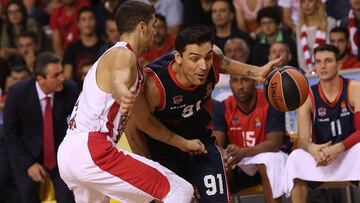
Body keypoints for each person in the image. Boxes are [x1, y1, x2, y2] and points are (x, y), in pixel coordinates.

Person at [57, 1, 195, 203]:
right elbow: (118, 82)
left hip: (72, 153)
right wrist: (123, 93)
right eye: (153, 24)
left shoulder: (130, 65)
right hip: (93, 149)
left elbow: (145, 122)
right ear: (142, 26)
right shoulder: (123, 54)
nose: (155, 31)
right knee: (180, 190)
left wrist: (183, 143)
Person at [127, 25, 281, 203]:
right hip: (163, 152)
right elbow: (137, 128)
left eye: (207, 58)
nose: (203, 66)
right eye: (194, 59)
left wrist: (258, 72)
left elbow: (223, 63)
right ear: (178, 57)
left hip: (200, 144)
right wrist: (150, 169)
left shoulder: (214, 60)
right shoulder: (154, 84)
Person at [284, 44, 360, 203]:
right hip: (322, 156)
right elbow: (302, 139)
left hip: (348, 152)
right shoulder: (307, 95)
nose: (322, 66)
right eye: (318, 62)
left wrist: (338, 148)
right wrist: (312, 148)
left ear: (339, 65)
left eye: (327, 61)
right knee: (296, 157)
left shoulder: (354, 88)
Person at [3, 52, 79, 203]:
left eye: (62, 73)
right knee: (26, 196)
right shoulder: (18, 93)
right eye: (56, 75)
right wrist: (29, 164)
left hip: (59, 157)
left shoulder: (70, 90)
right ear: (40, 79)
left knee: (67, 197)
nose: (62, 78)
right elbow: (10, 133)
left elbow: (80, 125)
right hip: (27, 155)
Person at [212, 74, 289, 203]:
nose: (240, 87)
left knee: (267, 161)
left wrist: (243, 152)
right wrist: (223, 155)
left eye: (245, 80)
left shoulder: (271, 103)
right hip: (240, 161)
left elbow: (275, 143)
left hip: (269, 158)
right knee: (220, 164)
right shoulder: (223, 107)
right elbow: (216, 143)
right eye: (235, 81)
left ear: (255, 82)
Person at [295, 0, 336, 73]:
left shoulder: (329, 23)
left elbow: (331, 49)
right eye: (303, 2)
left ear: (317, 3)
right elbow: (300, 55)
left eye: (310, 1)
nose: (306, 5)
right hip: (308, 72)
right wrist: (309, 71)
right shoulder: (299, 27)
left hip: (327, 68)